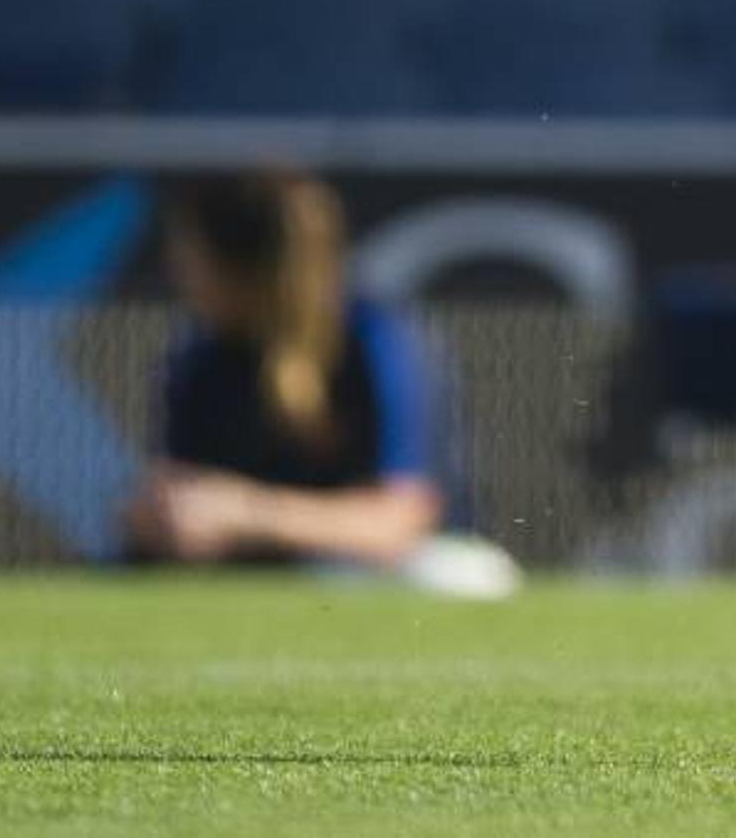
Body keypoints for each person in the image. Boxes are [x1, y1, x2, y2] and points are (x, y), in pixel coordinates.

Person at [123, 173, 513, 596]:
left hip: (381, 577)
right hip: (252, 581)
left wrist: (247, 514)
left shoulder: (378, 342)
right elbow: (175, 493)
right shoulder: (201, 357)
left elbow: (399, 520)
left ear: (240, 266)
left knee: (464, 575)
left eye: (191, 256)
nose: (180, 274)